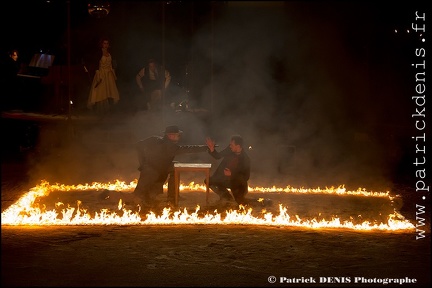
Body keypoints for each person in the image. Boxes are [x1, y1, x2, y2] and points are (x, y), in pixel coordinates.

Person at [132, 125, 208, 206]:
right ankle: (152, 201)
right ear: (170, 135)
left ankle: (172, 196)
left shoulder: (154, 138)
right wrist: (206, 148)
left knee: (176, 167)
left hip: (159, 166)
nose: (178, 137)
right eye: (177, 135)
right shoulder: (170, 147)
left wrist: (142, 162)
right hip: (153, 171)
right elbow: (188, 148)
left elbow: (138, 144)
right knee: (143, 195)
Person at [205, 135, 251, 206]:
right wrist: (212, 149)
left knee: (241, 202)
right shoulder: (230, 150)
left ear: (238, 146)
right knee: (208, 181)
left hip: (238, 184)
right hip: (225, 179)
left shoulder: (245, 159)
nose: (230, 146)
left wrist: (232, 174)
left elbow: (245, 177)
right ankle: (227, 198)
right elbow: (218, 156)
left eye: (232, 145)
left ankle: (264, 202)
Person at [87, 37, 120, 115]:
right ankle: (100, 110)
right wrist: (98, 74)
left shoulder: (110, 53)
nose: (106, 45)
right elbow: (95, 64)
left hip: (109, 74)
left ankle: (108, 110)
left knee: (109, 91)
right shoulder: (99, 53)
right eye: (104, 43)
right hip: (101, 73)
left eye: (107, 43)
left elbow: (112, 64)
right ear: (102, 44)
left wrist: (114, 74)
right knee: (100, 92)